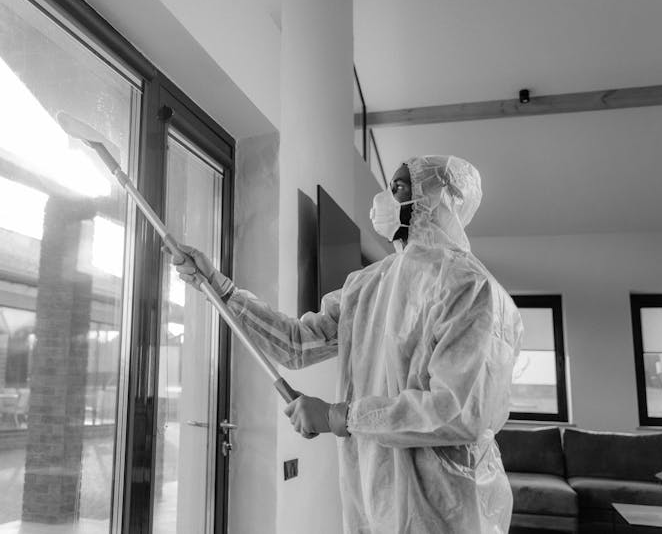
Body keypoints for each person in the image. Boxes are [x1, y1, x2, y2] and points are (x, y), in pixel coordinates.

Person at [171, 155, 523, 533]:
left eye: (399, 187)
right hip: (372, 501)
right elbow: (297, 343)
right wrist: (220, 288)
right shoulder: (367, 285)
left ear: (436, 199)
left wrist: (337, 416)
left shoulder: (471, 288)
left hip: (447, 507)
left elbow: (457, 412)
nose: (384, 199)